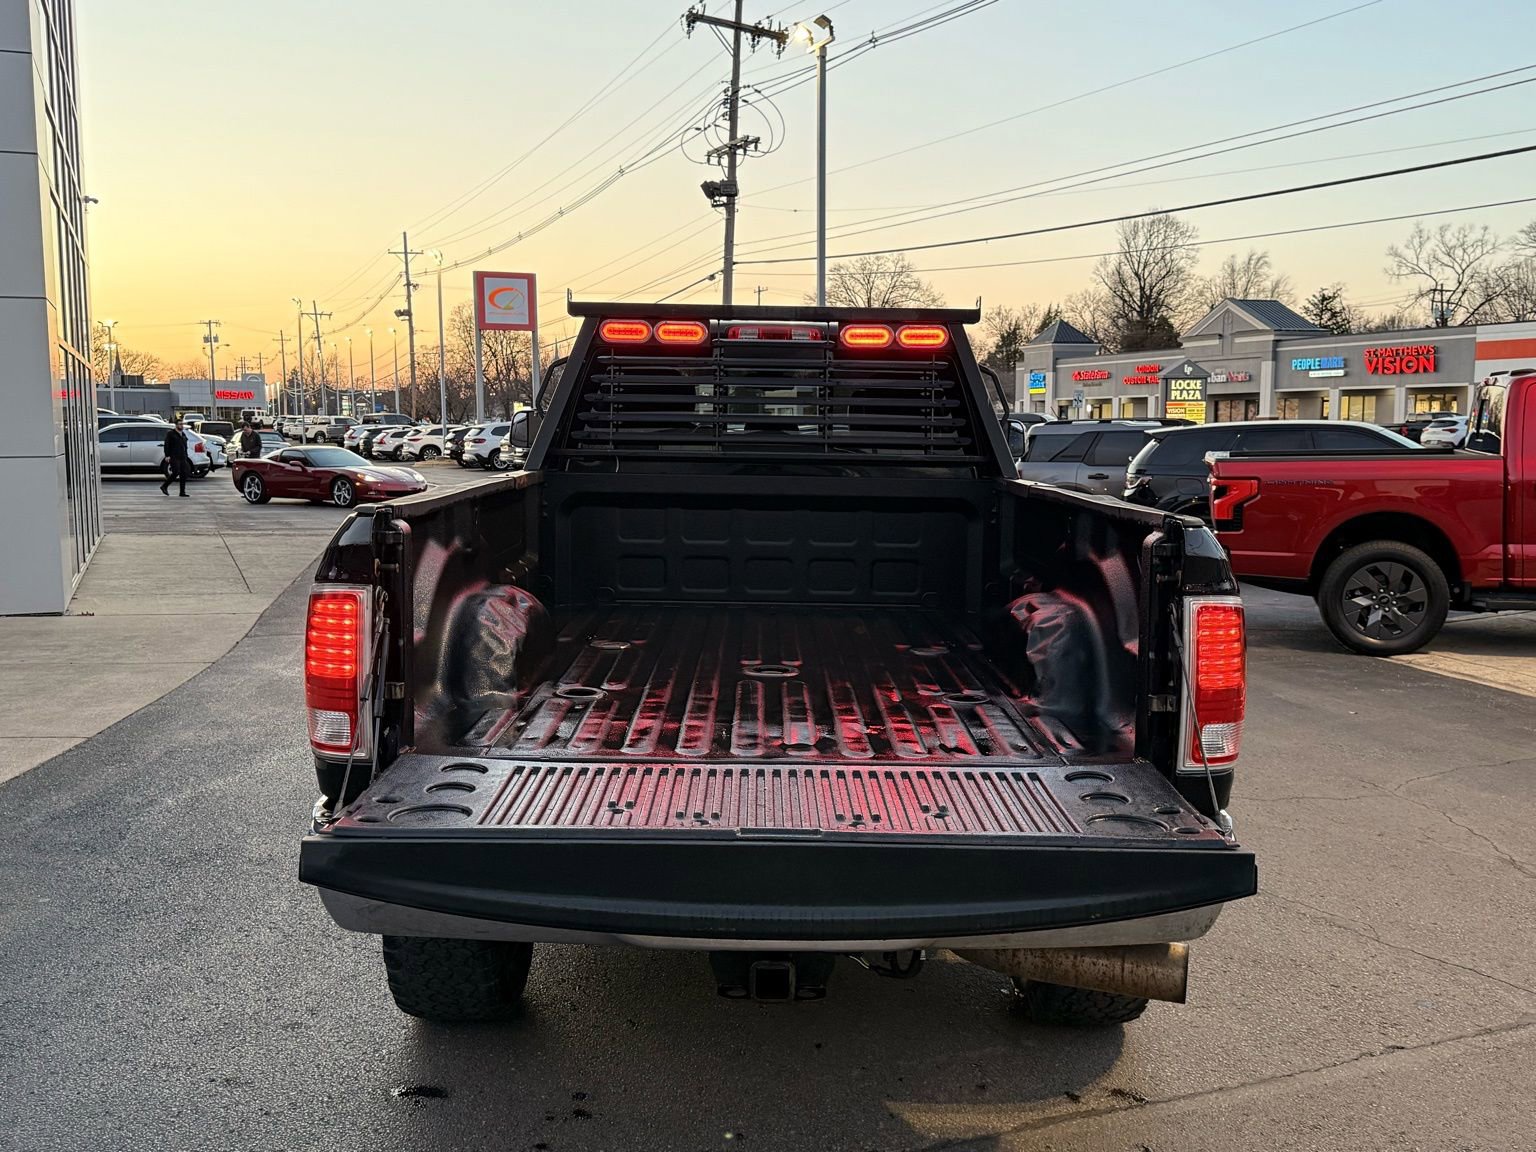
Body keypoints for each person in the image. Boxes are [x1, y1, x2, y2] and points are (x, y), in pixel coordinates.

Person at [160, 419, 190, 497]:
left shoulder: (183, 434)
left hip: (183, 456)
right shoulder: (171, 434)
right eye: (180, 424)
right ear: (176, 425)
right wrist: (167, 455)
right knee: (176, 472)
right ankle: (164, 486)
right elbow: (167, 445)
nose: (181, 426)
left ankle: (182, 492)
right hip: (174, 456)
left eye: (182, 424)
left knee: (184, 474)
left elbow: (185, 446)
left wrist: (186, 455)